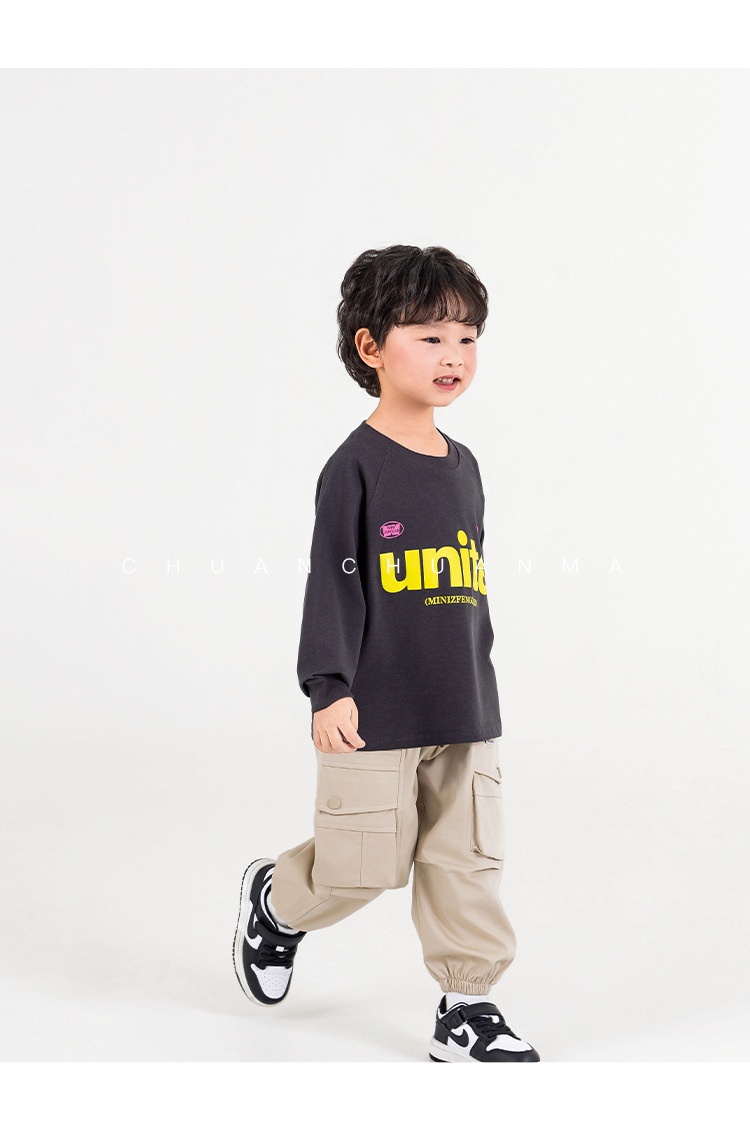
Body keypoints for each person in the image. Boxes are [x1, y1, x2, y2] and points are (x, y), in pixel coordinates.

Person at [232, 244, 540, 1063]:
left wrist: (478, 683)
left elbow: (464, 585)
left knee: (466, 861)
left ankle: (466, 1004)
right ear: (370, 346)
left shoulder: (465, 467)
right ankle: (276, 901)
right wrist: (327, 685)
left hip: (463, 704)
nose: (453, 355)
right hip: (374, 708)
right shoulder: (355, 468)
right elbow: (334, 582)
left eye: (467, 337)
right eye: (430, 336)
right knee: (360, 865)